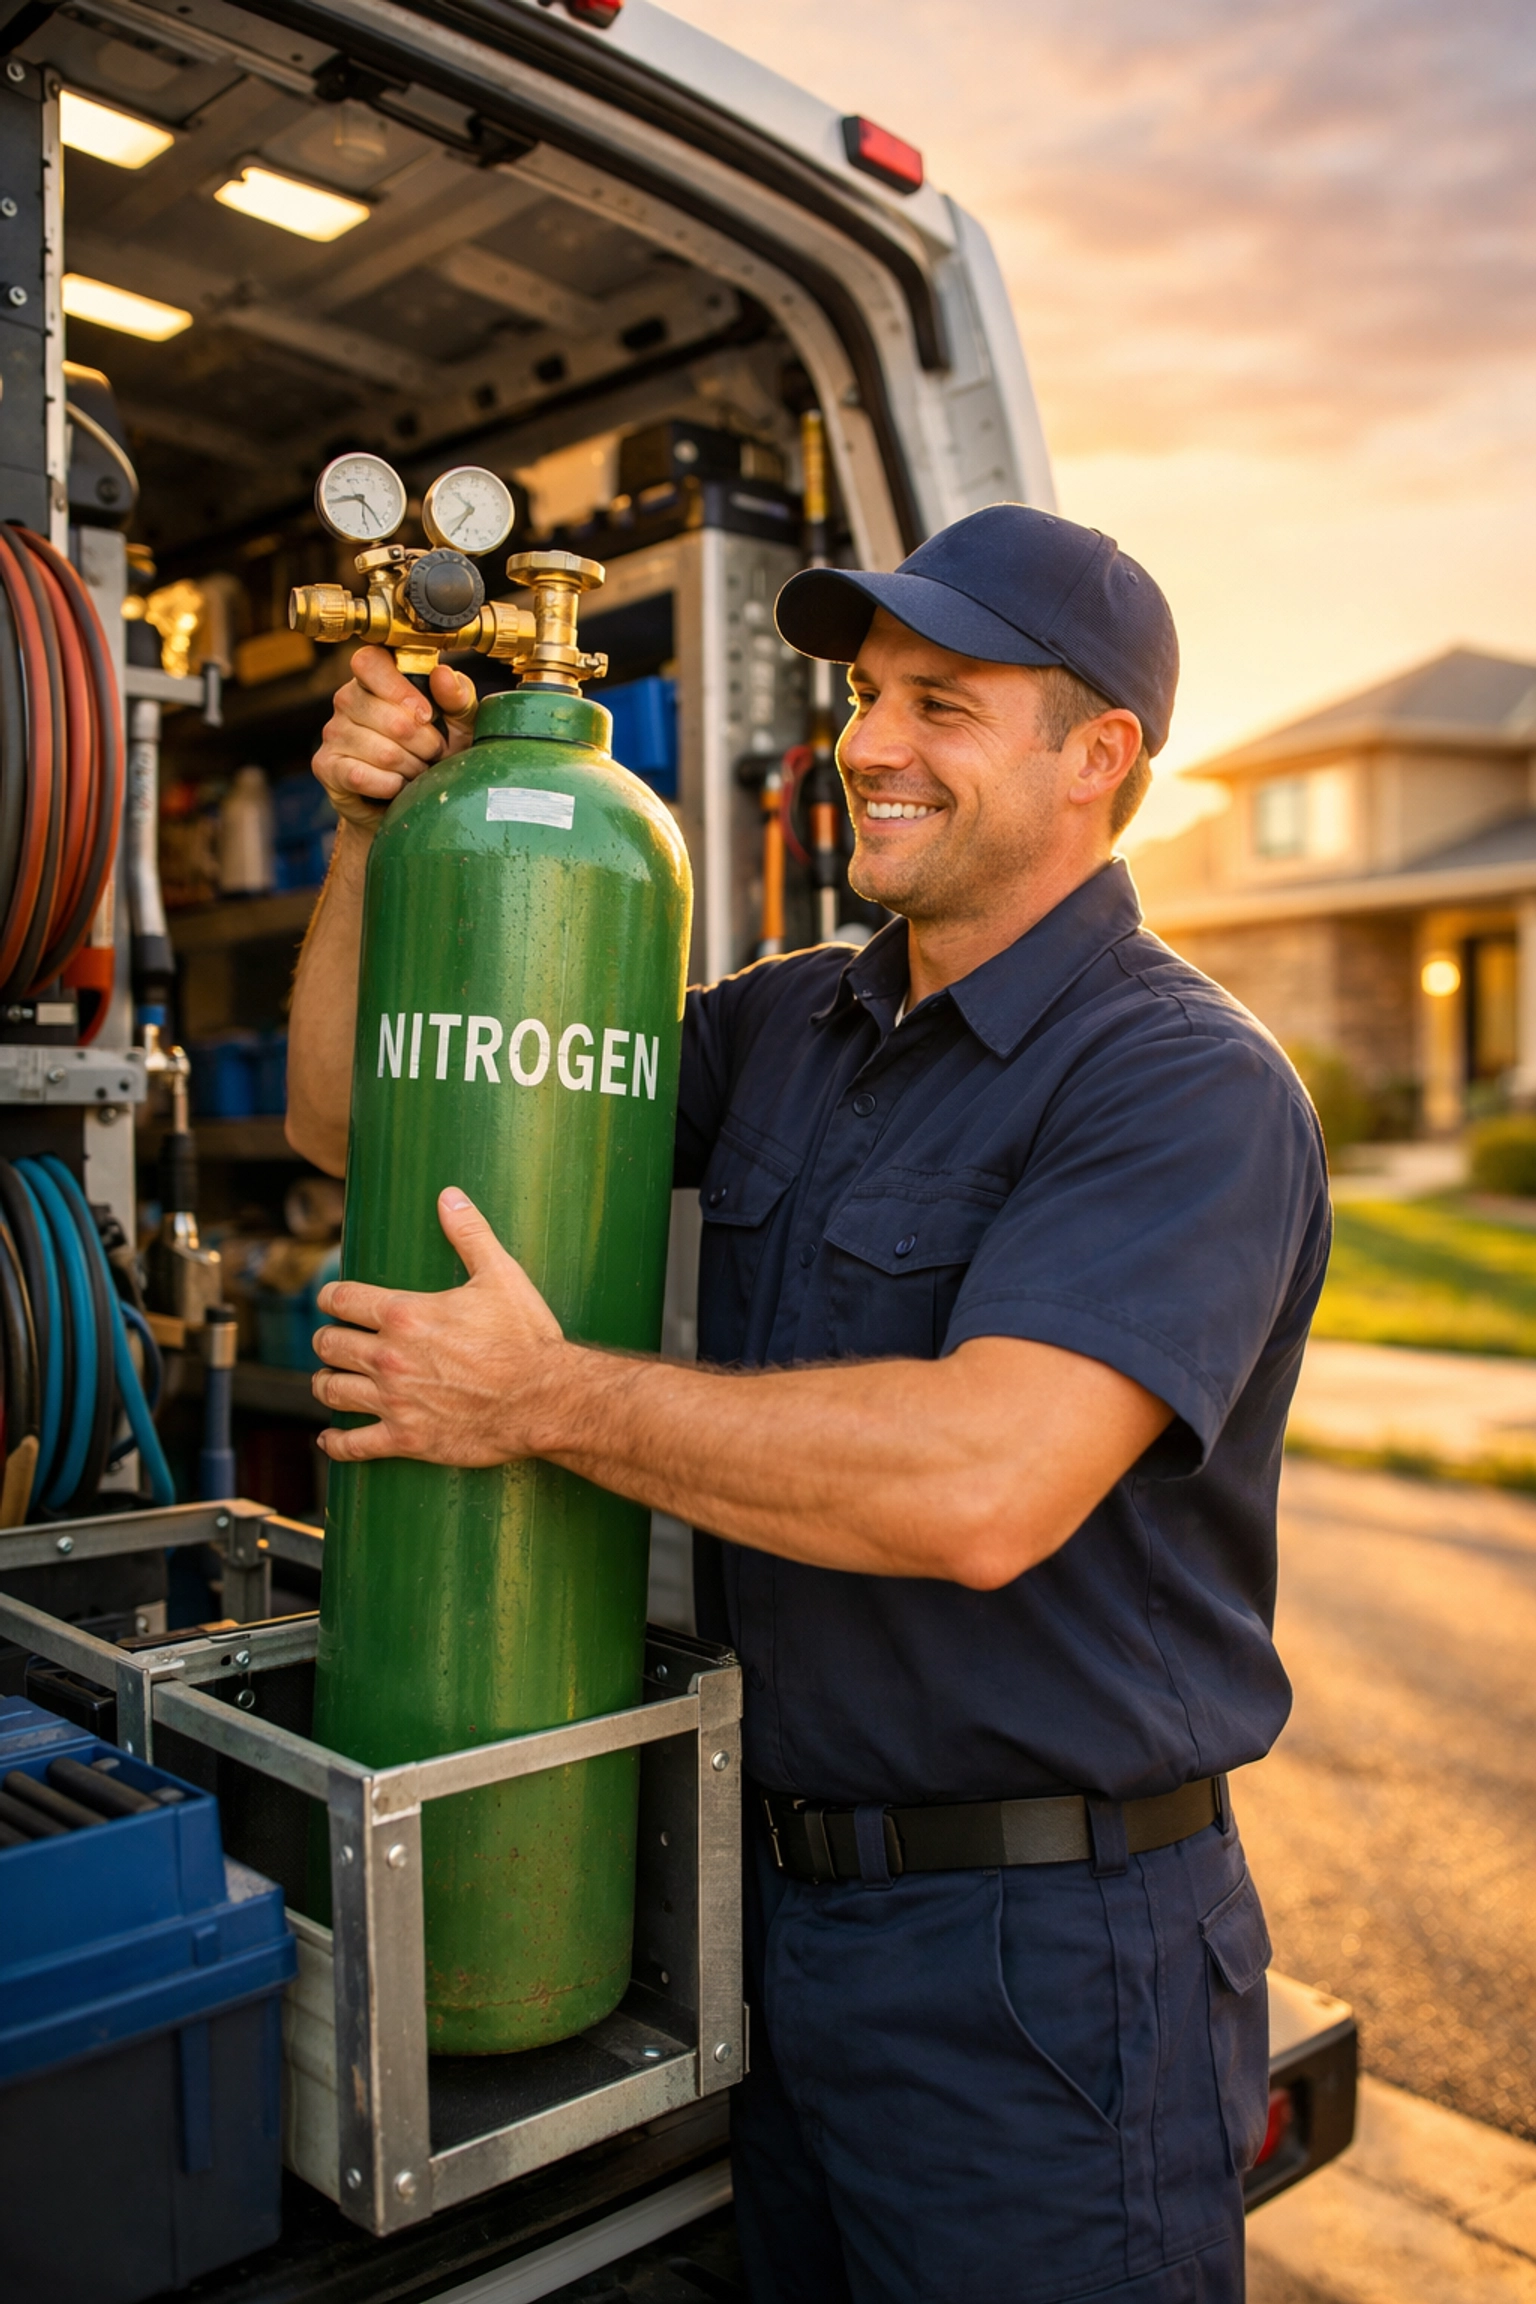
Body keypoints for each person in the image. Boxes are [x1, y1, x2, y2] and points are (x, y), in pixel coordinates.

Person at [287, 503, 1330, 2304]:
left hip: (1046, 1971)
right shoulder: (792, 1029)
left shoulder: (1188, 1086)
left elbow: (984, 1485)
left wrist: (542, 1401)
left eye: (942, 702)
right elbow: (352, 1121)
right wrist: (383, 843)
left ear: (1100, 760)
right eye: (862, 695)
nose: (868, 745)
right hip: (776, 1918)